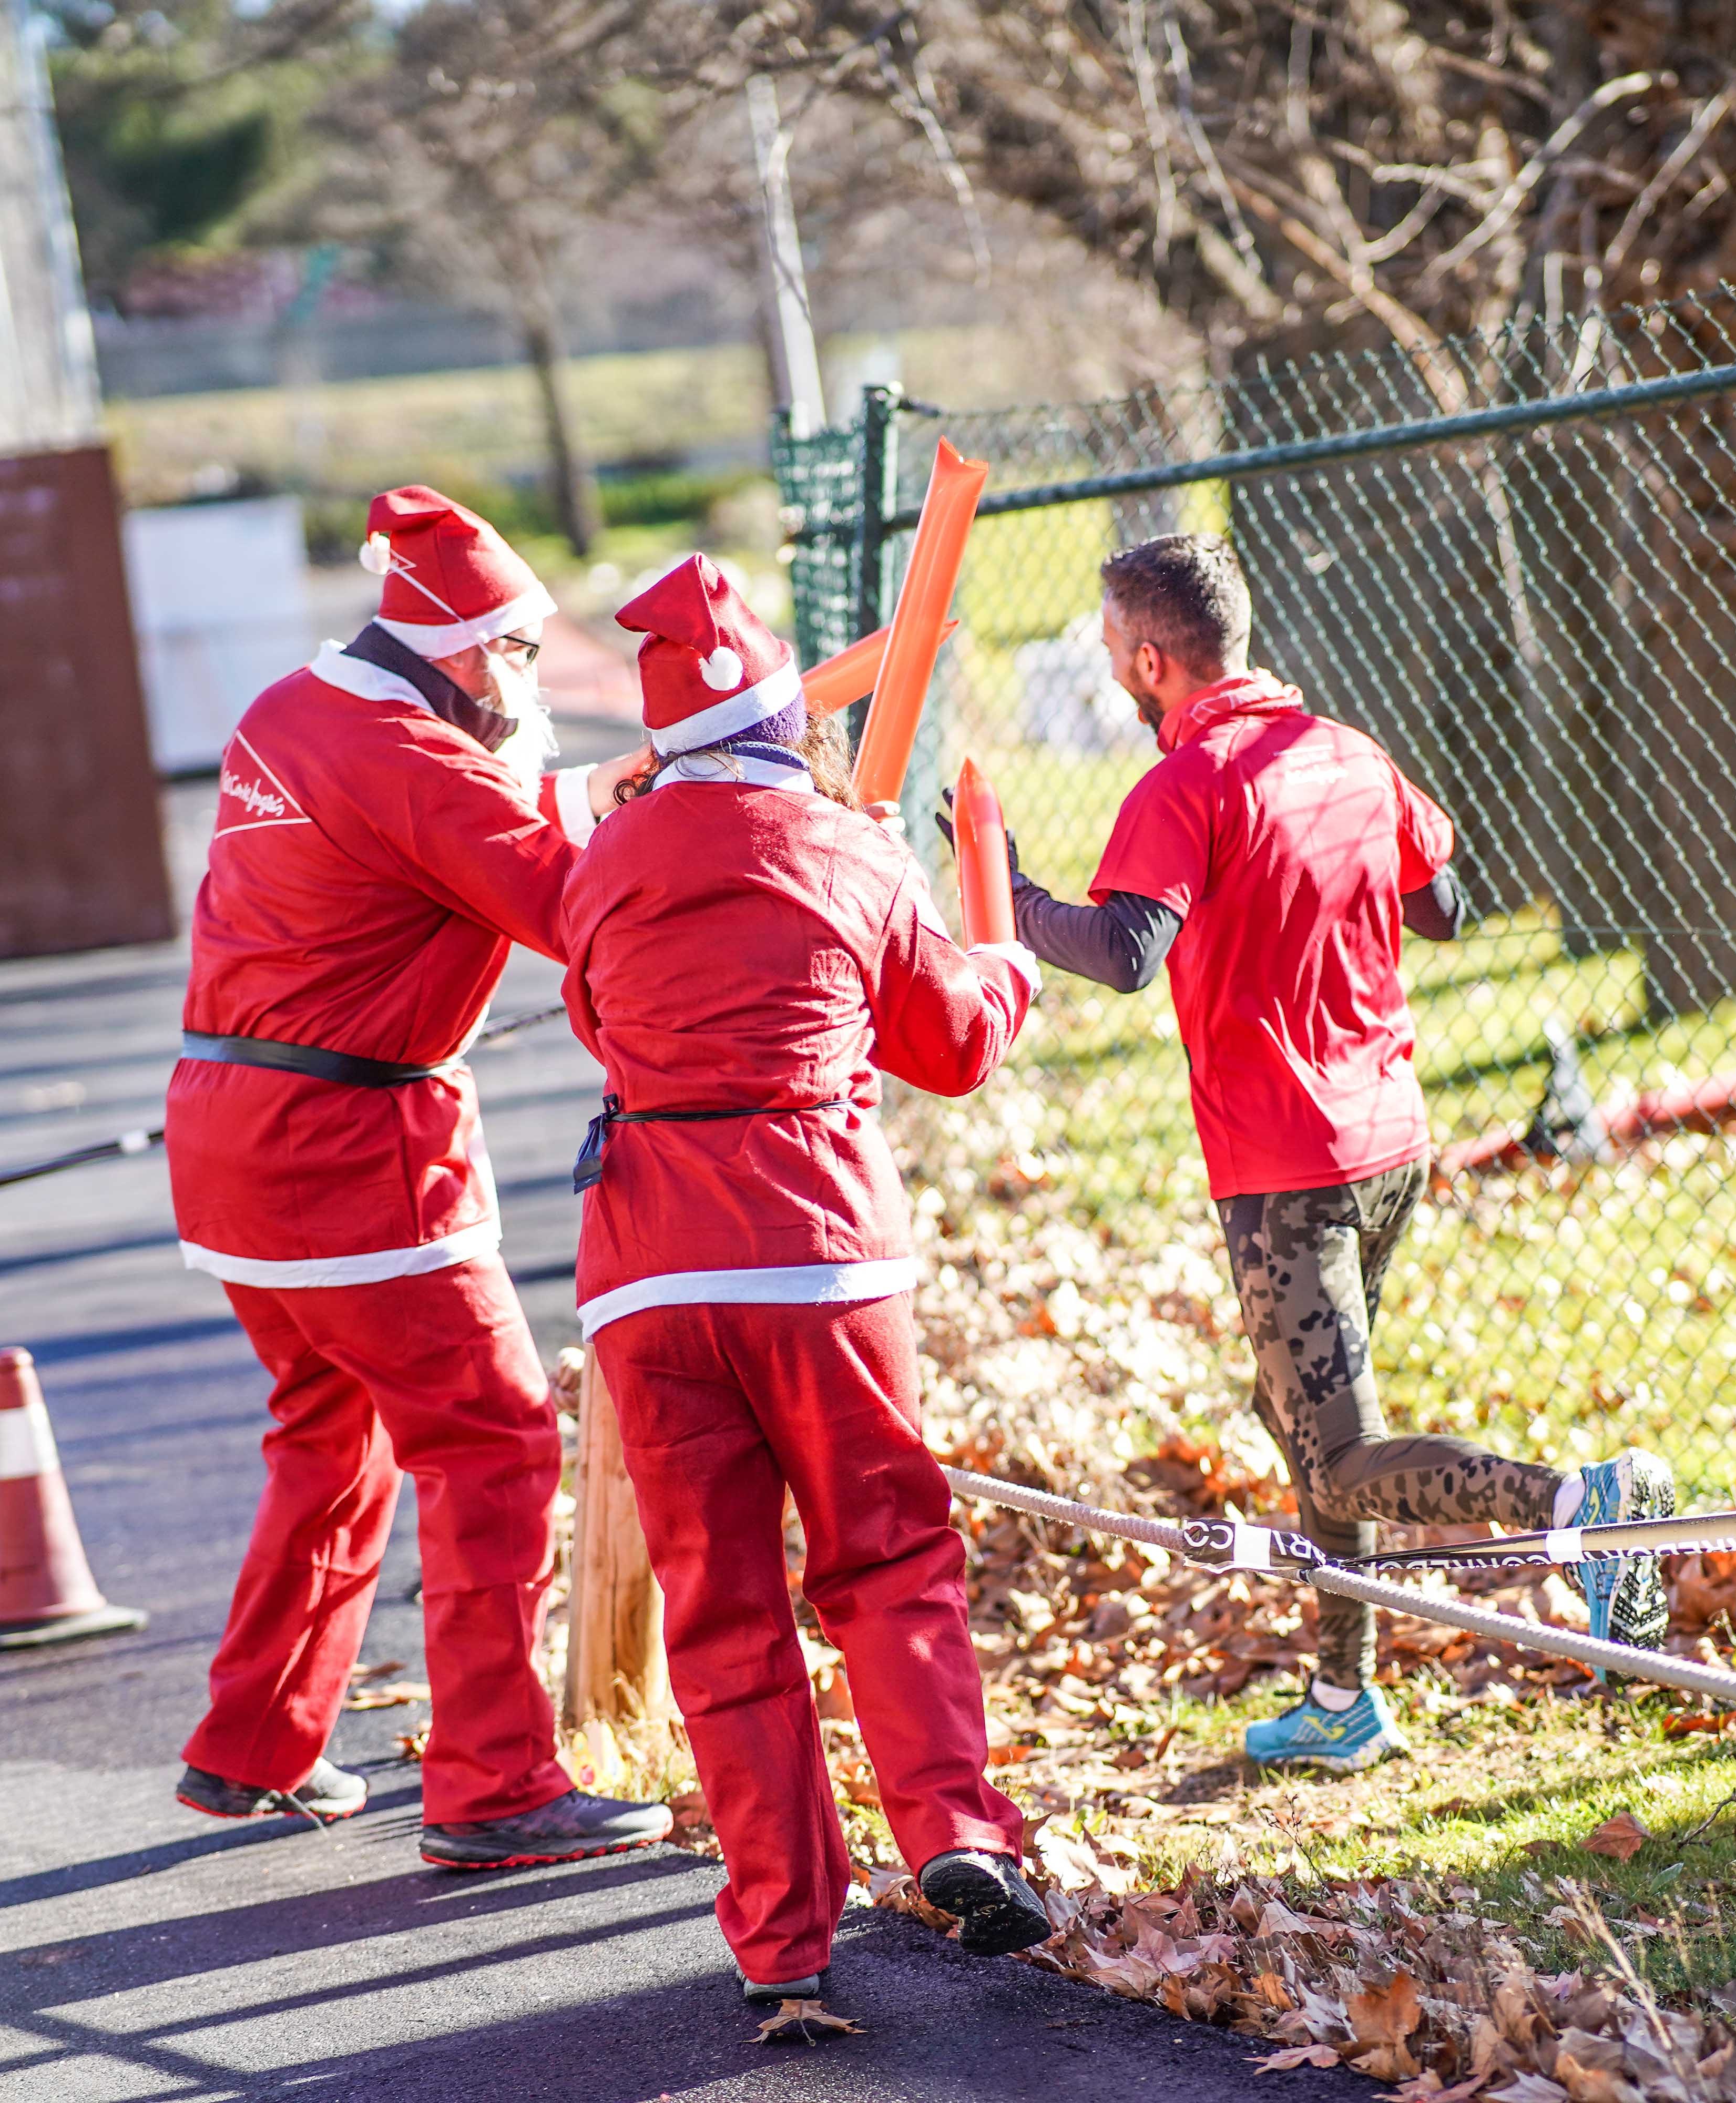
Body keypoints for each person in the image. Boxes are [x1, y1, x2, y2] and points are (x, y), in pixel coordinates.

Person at [1000, 533, 1680, 1773]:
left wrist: (1011, 896)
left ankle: (1584, 1503)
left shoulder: (1186, 783)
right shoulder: (1348, 753)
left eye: (1111, 651)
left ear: (1153, 660)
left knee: (1340, 1452)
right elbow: (1443, 903)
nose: (1109, 668)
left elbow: (1123, 953)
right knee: (1302, 1414)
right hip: (1389, 1144)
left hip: (1286, 1168)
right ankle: (1344, 1694)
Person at [559, 553, 1053, 2007]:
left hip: (649, 1276)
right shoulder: (849, 849)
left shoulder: (603, 866)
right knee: (887, 1558)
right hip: (820, 1256)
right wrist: (1003, 953)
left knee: (723, 1606)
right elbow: (954, 1044)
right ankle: (958, 1831)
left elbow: (598, 1014)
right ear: (789, 723)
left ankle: (782, 1941)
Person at [165, 485, 673, 1865]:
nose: (529, 682)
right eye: (519, 657)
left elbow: (437, 827)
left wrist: (574, 794)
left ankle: (254, 1743)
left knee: (329, 1437)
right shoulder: (418, 759)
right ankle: (498, 1784)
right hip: (354, 1157)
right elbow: (573, 907)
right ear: (467, 652)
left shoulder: (294, 712)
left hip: (230, 1148)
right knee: (494, 1437)